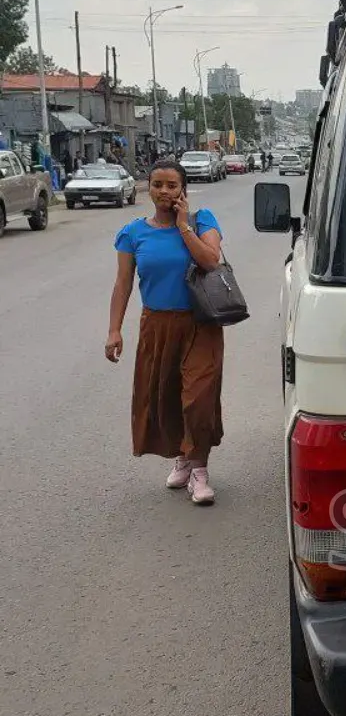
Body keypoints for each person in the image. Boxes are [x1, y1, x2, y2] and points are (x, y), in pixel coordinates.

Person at [105, 156, 226, 504]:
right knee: (168, 396)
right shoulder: (132, 234)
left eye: (172, 185)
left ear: (183, 189)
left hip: (201, 323)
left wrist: (184, 224)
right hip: (157, 325)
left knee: (199, 398)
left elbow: (210, 260)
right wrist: (114, 330)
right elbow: (123, 283)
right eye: (157, 184)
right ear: (149, 188)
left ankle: (199, 471)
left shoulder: (203, 221)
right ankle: (183, 457)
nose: (163, 191)